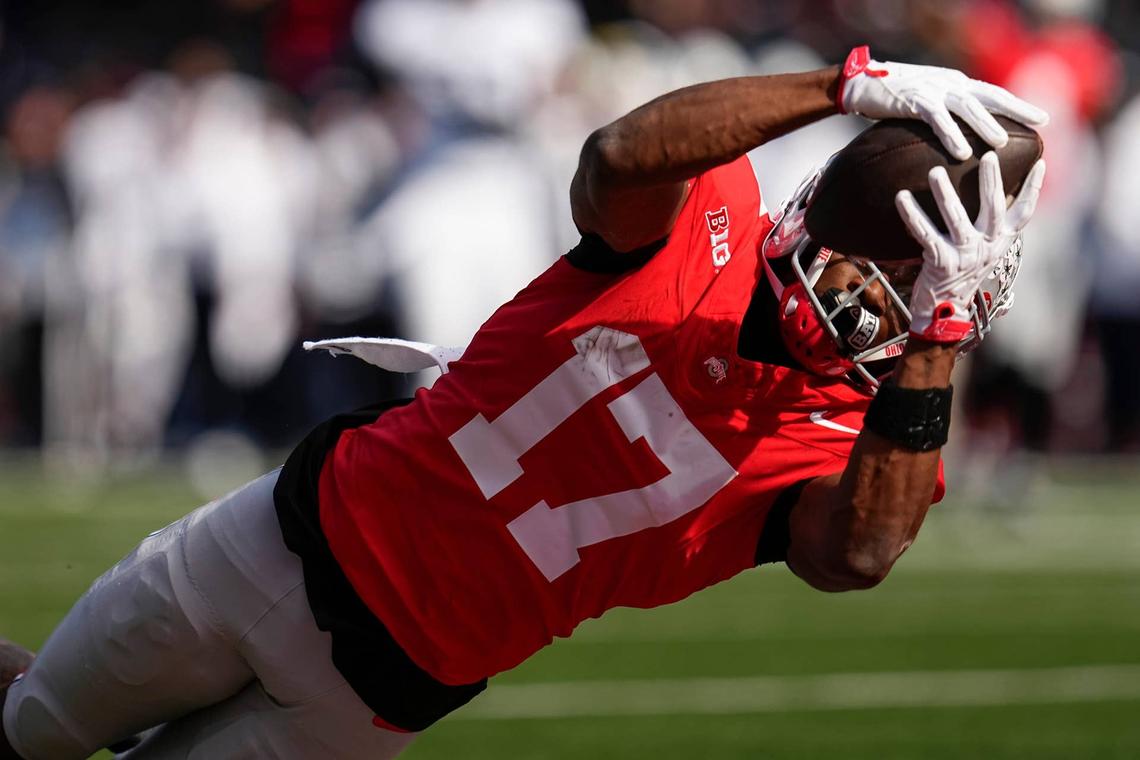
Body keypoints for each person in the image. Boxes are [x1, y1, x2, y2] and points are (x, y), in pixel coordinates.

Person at [0, 46, 1047, 759]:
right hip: (266, 546)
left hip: (377, 689)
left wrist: (939, 345)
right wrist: (841, 81)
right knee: (29, 728)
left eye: (900, 289)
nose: (866, 299)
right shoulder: (702, 218)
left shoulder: (848, 445)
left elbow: (856, 554)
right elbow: (618, 157)